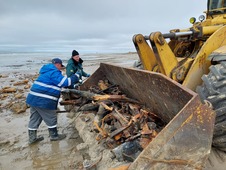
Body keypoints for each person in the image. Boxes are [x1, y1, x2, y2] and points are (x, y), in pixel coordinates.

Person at [26, 58, 81, 145]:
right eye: (60, 67)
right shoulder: (54, 71)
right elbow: (65, 82)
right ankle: (54, 136)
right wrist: (77, 76)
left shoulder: (46, 71)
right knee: (51, 117)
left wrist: (72, 85)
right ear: (58, 64)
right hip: (43, 100)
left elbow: (58, 83)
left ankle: (32, 138)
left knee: (34, 118)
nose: (60, 69)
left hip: (33, 98)